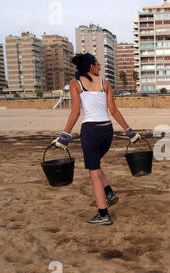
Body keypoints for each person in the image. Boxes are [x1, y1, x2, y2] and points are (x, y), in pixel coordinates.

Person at [52, 53, 141, 225]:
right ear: (90, 66)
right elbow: (113, 111)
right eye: (98, 64)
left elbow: (75, 112)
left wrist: (64, 136)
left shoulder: (75, 84)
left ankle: (103, 214)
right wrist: (129, 131)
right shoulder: (104, 83)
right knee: (95, 165)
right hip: (107, 132)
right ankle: (109, 192)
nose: (100, 67)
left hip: (91, 132)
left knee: (93, 172)